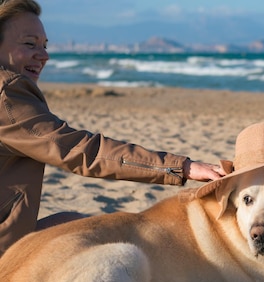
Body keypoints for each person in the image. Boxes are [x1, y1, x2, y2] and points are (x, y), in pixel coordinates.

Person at [0, 0, 225, 256]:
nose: (44, 55)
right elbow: (80, 151)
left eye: (44, 45)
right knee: (109, 241)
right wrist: (182, 166)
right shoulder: (8, 94)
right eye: (29, 43)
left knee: (76, 223)